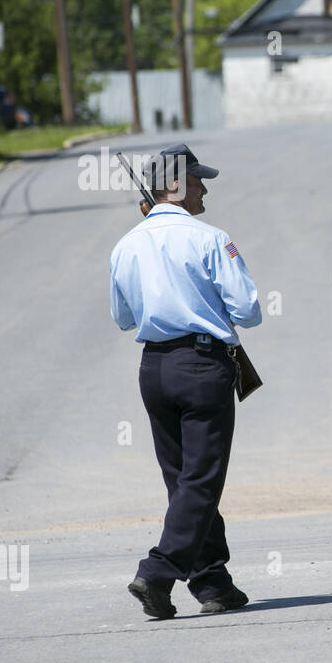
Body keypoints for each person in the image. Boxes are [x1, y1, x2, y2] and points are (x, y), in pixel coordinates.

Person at [110, 144, 262, 619]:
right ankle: (158, 572)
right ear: (175, 186)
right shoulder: (211, 238)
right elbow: (249, 312)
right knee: (201, 479)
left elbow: (122, 317)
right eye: (197, 181)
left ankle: (212, 581)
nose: (204, 189)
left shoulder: (126, 244)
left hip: (155, 366)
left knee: (184, 481)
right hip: (202, 366)